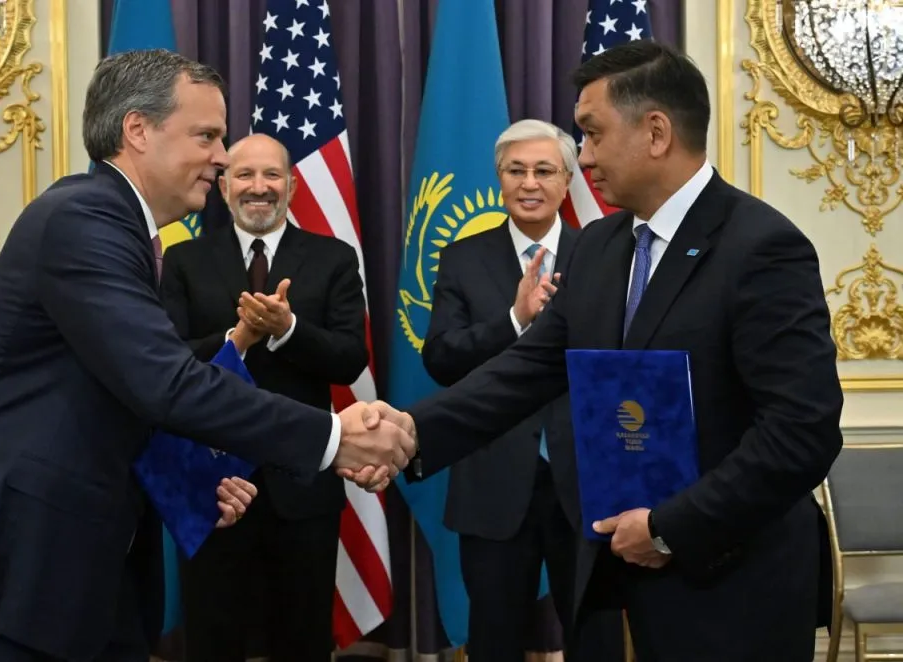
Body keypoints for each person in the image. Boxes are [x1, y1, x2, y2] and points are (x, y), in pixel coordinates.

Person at [0, 49, 414, 662]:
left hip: (73, 566)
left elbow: (117, 390)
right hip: (8, 566)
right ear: (138, 130)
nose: (222, 157)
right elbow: (164, 382)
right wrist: (333, 437)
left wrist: (195, 477)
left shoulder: (122, 229)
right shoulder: (84, 218)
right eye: (206, 136)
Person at [349, 41, 842, 662]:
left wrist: (668, 528)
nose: (582, 156)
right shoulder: (602, 247)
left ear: (656, 133)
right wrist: (411, 432)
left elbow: (802, 431)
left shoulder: (762, 247)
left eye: (592, 133)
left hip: (733, 582)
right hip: (625, 569)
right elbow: (529, 368)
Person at [159, 133, 369, 662]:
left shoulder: (333, 258)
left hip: (301, 486)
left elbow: (350, 358)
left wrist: (288, 329)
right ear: (224, 187)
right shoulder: (183, 260)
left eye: (272, 175)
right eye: (245, 175)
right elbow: (167, 360)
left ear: (292, 186)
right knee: (212, 639)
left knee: (303, 641)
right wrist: (240, 338)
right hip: (212, 482)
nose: (259, 187)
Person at [420, 119, 622, 662]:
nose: (529, 183)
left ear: (567, 181)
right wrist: (513, 319)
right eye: (516, 171)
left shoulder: (605, 253)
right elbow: (440, 359)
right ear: (500, 180)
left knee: (596, 637)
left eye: (544, 171)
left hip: (587, 480)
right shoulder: (463, 257)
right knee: (494, 639)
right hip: (494, 479)